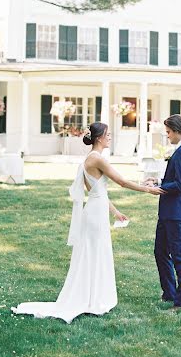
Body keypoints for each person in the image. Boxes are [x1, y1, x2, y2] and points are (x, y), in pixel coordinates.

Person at [12, 122, 163, 323]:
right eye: (107, 135)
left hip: (95, 210)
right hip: (94, 213)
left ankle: (95, 296)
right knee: (94, 251)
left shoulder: (90, 159)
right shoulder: (97, 159)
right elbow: (122, 182)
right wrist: (148, 190)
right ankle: (91, 299)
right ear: (99, 138)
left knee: (96, 251)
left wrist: (116, 212)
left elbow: (97, 191)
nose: (110, 137)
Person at [146, 114, 181, 309]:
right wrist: (158, 181)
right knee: (160, 252)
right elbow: (175, 178)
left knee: (180, 256)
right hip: (169, 211)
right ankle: (169, 292)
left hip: (175, 212)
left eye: (168, 132)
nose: (167, 136)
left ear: (177, 130)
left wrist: (158, 189)